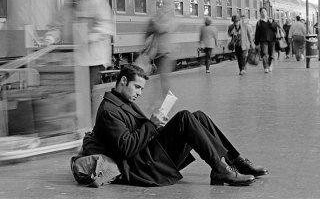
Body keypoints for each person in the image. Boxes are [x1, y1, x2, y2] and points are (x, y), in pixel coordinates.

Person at [77, 64, 268, 187]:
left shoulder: (122, 102)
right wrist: (152, 124)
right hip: (143, 167)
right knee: (184, 117)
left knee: (198, 116)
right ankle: (220, 169)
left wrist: (158, 127)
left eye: (142, 89)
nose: (140, 93)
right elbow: (126, 148)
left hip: (148, 156)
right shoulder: (109, 110)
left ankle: (235, 161)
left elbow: (140, 134)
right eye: (137, 87)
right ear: (123, 81)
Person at [42, 0, 114, 89]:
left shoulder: (98, 3)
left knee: (88, 96)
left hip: (93, 61)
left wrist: (92, 36)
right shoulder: (67, 7)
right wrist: (50, 37)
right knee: (74, 97)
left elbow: (106, 27)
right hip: (74, 61)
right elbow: (57, 26)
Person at [137, 0, 176, 98]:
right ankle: (160, 100)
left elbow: (162, 29)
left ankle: (166, 101)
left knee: (164, 78)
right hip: (157, 54)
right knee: (159, 79)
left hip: (166, 54)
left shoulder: (170, 20)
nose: (163, 10)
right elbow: (148, 32)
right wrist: (144, 46)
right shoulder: (157, 19)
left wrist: (154, 22)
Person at [254, 8, 277, 73]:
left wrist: (271, 23)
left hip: (272, 40)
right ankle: (266, 67)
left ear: (267, 12)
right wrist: (256, 43)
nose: (263, 13)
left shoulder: (271, 20)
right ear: (260, 13)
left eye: (264, 11)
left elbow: (275, 29)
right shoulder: (259, 22)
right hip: (263, 41)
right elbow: (257, 33)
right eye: (261, 12)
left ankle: (270, 65)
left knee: (271, 55)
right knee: (264, 54)